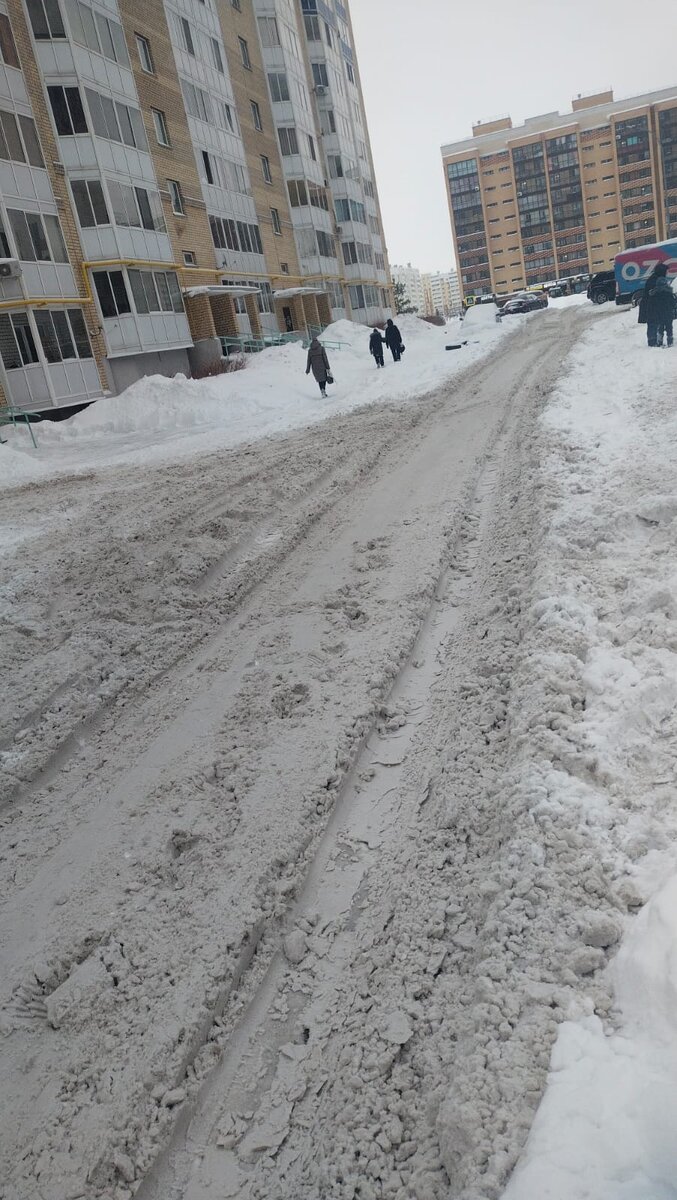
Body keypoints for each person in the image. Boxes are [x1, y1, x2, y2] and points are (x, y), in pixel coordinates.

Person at [639, 263, 674, 347]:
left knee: (655, 323)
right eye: (666, 271)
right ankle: (653, 342)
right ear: (662, 271)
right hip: (651, 306)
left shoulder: (655, 279)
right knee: (653, 323)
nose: (667, 273)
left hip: (653, 306)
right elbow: (658, 295)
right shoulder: (656, 281)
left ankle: (655, 341)